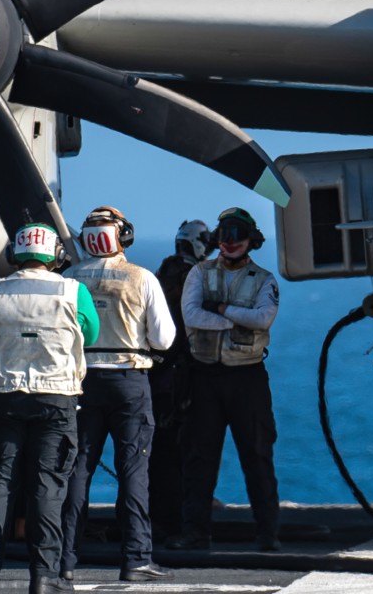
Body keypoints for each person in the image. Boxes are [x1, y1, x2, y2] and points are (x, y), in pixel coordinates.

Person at [0, 223, 99, 594]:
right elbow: (88, 335)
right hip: (56, 398)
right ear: (55, 255)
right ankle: (44, 577)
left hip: (3, 396)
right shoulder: (74, 291)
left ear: (15, 254)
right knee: (48, 486)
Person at [60, 207, 174, 583]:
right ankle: (136, 558)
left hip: (81, 382)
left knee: (78, 469)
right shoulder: (141, 278)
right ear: (123, 236)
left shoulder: (69, 279)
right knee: (133, 471)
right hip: (129, 380)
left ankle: (65, 559)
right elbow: (164, 338)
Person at [167, 208, 282, 551]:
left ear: (251, 241)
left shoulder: (264, 280)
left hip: (247, 378)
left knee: (257, 455)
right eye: (225, 235)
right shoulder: (199, 274)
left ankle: (267, 534)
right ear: (217, 239)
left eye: (238, 236)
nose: (230, 242)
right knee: (198, 458)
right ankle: (195, 532)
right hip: (204, 376)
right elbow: (191, 315)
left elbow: (263, 319)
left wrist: (220, 310)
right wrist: (235, 321)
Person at [147, 220, 212, 539]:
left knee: (162, 452)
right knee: (183, 450)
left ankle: (162, 516)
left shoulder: (162, 274)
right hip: (181, 378)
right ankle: (178, 518)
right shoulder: (192, 277)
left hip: (159, 376)